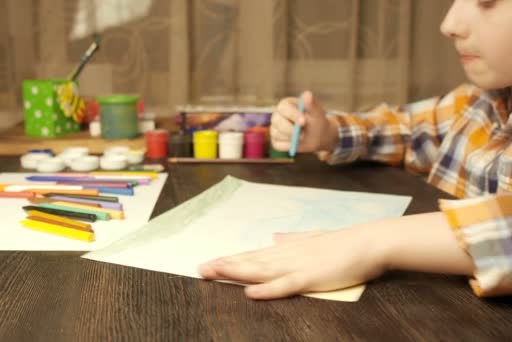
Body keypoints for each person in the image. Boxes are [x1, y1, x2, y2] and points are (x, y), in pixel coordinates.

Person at [198, 0, 512, 300]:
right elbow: (407, 130)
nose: (448, 24)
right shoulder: (480, 101)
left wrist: (371, 242)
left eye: (486, 1)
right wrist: (328, 133)